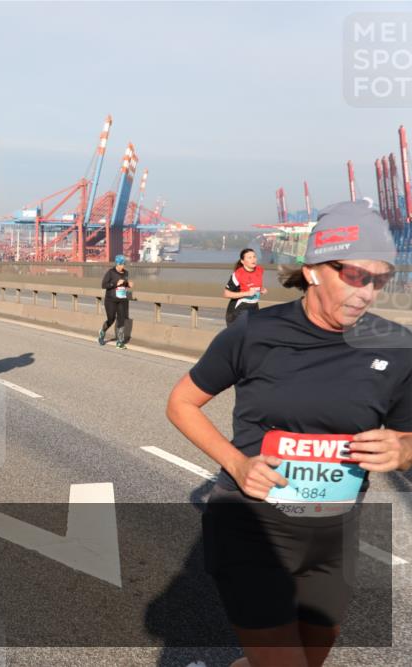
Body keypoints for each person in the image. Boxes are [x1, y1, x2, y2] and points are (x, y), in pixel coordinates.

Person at [165, 201, 411, 667]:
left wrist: (402, 450)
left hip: (334, 534)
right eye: (357, 275)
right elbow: (181, 403)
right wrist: (237, 463)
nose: (368, 293)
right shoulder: (253, 333)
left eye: (381, 280)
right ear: (316, 269)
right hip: (252, 524)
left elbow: (409, 438)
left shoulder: (397, 348)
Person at [98, 255, 133, 349]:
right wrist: (115, 284)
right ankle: (102, 331)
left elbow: (124, 284)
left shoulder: (126, 273)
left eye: (124, 264)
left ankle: (120, 342)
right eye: (121, 264)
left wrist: (128, 284)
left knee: (121, 320)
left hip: (122, 300)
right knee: (111, 319)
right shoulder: (110, 272)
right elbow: (103, 285)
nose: (123, 266)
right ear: (117, 264)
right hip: (110, 300)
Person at [223, 248, 267, 326]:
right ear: (242, 261)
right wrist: (247, 293)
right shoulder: (238, 274)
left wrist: (261, 289)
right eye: (249, 257)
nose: (253, 259)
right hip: (239, 309)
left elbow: (255, 285)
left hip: (254, 307)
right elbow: (226, 294)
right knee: (238, 337)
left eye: (254, 256)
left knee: (252, 335)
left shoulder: (260, 270)